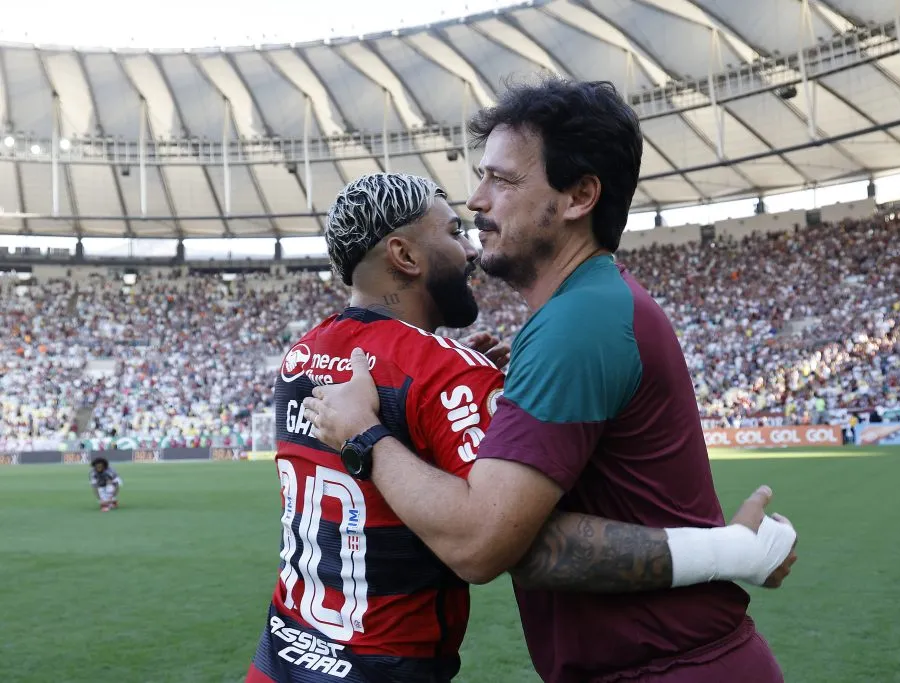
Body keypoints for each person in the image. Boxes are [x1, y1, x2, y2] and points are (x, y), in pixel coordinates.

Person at [303, 79, 798, 683]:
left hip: (670, 669)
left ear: (578, 196)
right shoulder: (582, 312)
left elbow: (484, 543)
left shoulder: (579, 322)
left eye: (503, 181)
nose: (477, 199)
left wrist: (363, 436)